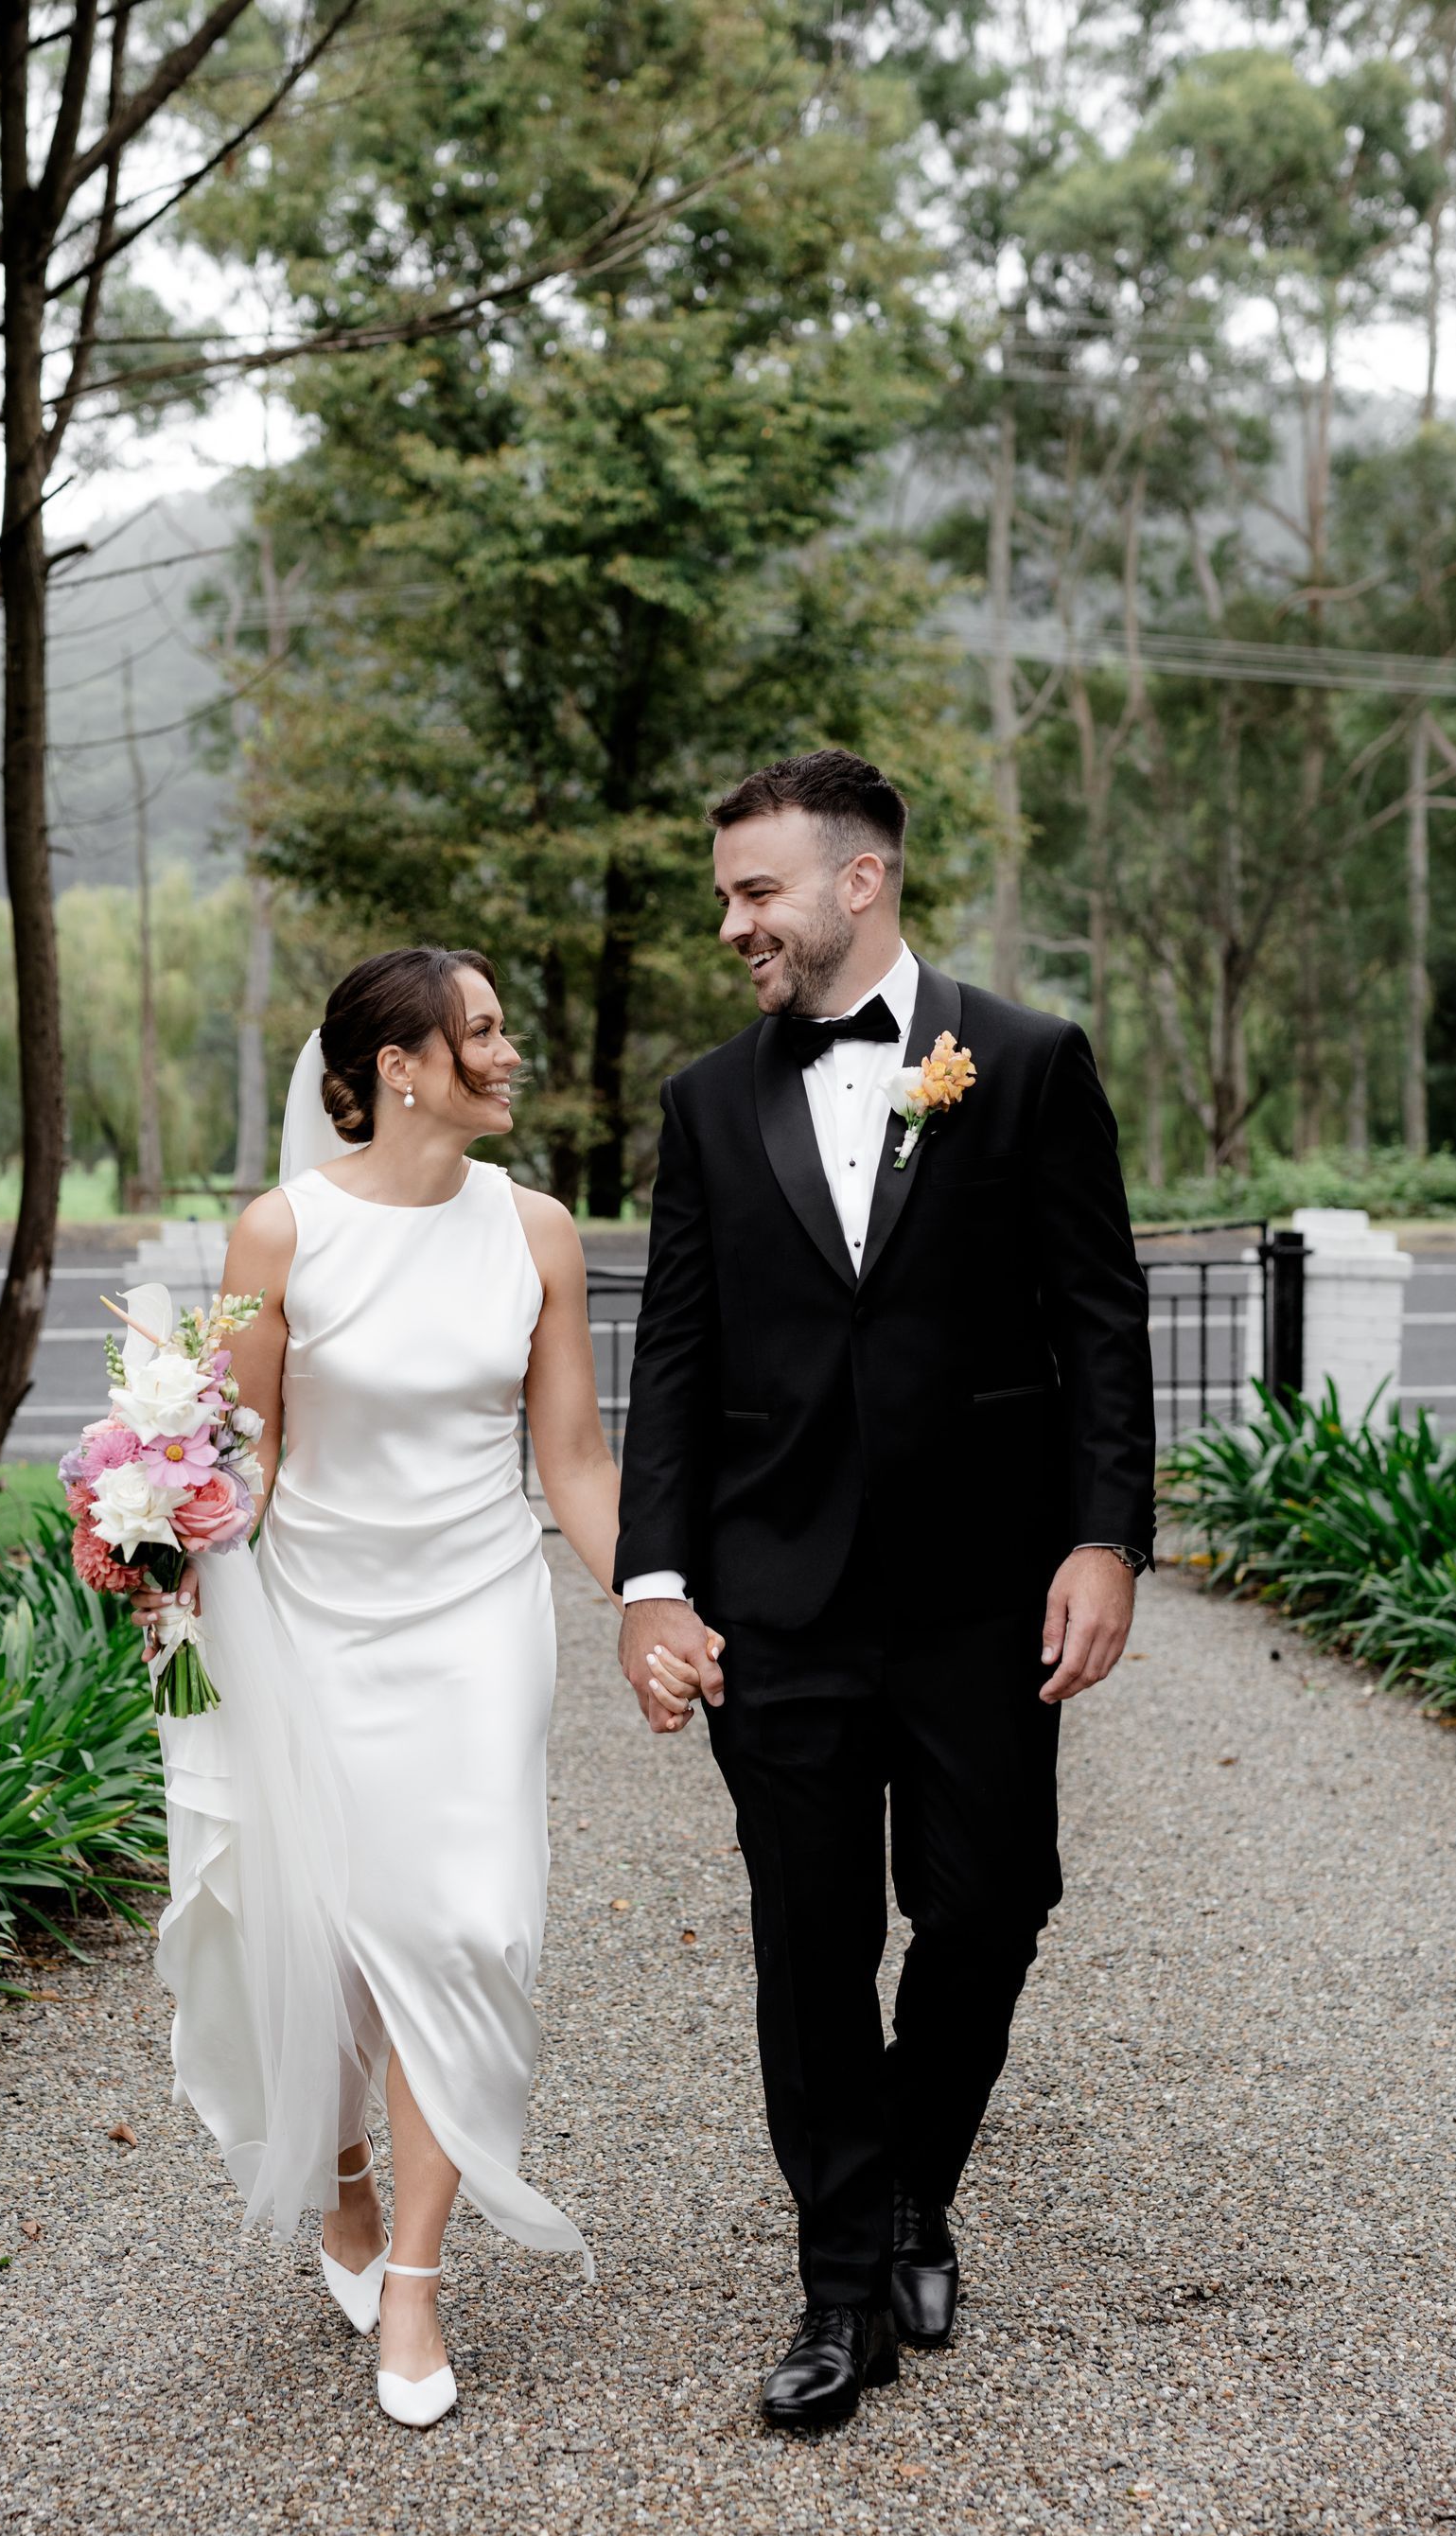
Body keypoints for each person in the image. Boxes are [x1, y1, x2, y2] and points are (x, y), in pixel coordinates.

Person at [615, 748, 1156, 2429]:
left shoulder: (1029, 1062)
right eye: (725, 895)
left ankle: (920, 2181)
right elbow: (676, 1355)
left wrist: (1106, 1539)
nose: (733, 924)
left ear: (860, 882)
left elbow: (1100, 1321)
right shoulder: (707, 1102)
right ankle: (842, 2284)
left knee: (992, 1907)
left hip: (985, 1592)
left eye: (756, 891)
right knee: (811, 1940)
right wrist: (652, 1581)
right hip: (773, 1594)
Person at [133, 947, 704, 2429]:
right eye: (483, 1033)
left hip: (478, 1623)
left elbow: (572, 1459)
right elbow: (243, 1451)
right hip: (318, 1622)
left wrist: (650, 1600)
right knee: (323, 1941)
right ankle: (342, 2191)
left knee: (464, 1926)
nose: (510, 1055)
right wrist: (162, 1553)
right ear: (399, 1066)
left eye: (505, 1030)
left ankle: (416, 2284)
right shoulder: (283, 1232)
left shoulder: (537, 1232)